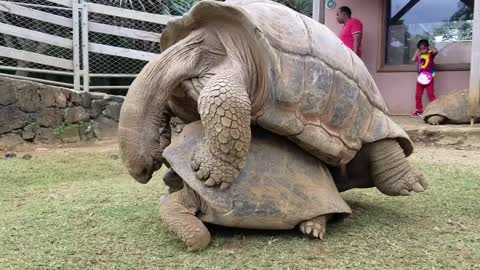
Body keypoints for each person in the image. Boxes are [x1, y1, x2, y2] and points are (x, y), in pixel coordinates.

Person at [410, 39, 438, 117]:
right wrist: (418, 50)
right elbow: (413, 59)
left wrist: (429, 48)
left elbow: (435, 51)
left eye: (424, 48)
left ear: (427, 47)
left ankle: (436, 109)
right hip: (421, 77)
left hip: (429, 77)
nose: (422, 50)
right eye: (420, 48)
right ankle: (418, 111)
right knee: (418, 95)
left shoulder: (430, 54)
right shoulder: (419, 55)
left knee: (430, 94)